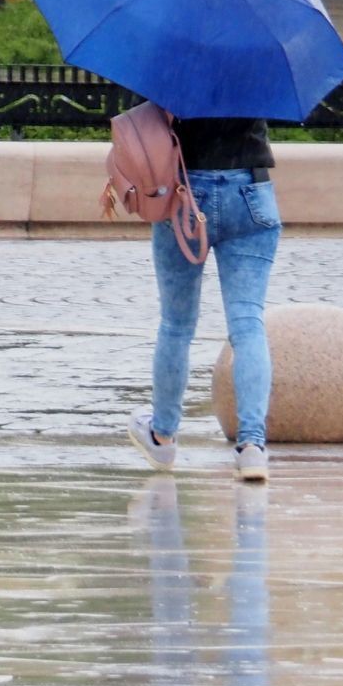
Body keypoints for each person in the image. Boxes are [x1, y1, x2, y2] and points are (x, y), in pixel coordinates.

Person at [129, 115, 279, 483]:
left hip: (184, 187)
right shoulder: (258, 74)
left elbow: (141, 118)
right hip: (250, 189)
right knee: (248, 324)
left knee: (176, 325)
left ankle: (162, 436)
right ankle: (252, 446)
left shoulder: (176, 74)